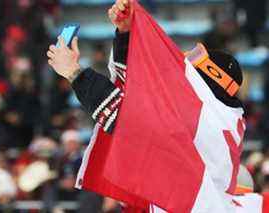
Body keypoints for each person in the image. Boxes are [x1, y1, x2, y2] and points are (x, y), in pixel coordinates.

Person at [47, 0, 245, 212]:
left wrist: (74, 73)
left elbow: (126, 120)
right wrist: (126, 35)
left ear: (211, 78)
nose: (183, 69)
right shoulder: (222, 118)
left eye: (192, 68)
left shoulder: (200, 119)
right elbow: (137, 94)